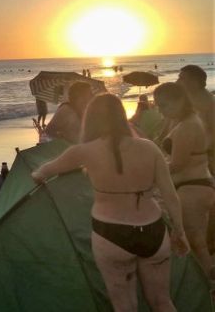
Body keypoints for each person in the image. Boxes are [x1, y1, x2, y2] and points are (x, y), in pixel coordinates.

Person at [31, 94, 189, 312]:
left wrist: (39, 174)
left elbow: (42, 173)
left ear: (91, 119)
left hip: (111, 233)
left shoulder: (83, 151)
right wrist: (179, 231)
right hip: (152, 228)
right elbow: (170, 195)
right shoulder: (149, 148)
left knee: (124, 306)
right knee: (162, 301)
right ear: (121, 116)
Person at [154, 83, 214, 278]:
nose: (161, 110)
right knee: (197, 241)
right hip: (194, 187)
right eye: (158, 106)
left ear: (180, 101)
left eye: (164, 105)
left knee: (195, 241)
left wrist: (152, 173)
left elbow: (177, 164)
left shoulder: (188, 125)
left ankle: (209, 283)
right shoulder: (184, 121)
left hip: (192, 189)